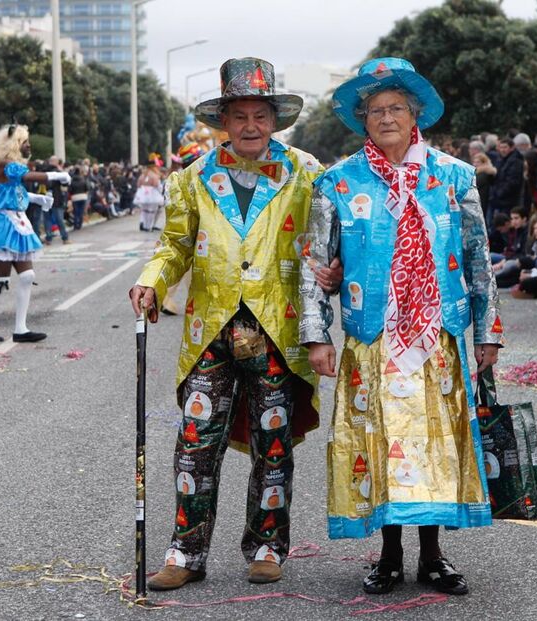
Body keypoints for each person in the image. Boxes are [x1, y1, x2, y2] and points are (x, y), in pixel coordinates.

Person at [301, 57, 503, 597]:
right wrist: (317, 334)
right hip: (373, 335)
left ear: (415, 116)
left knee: (434, 442)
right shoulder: (337, 183)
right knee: (381, 441)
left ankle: (433, 555)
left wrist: (488, 331)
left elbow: (478, 257)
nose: (386, 117)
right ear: (361, 120)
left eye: (396, 108)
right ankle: (389, 555)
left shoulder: (454, 176)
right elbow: (315, 264)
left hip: (436, 334)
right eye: (375, 110)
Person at [129, 57, 327, 590]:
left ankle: (266, 545)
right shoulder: (192, 178)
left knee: (274, 445)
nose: (250, 126)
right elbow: (172, 245)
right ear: (224, 120)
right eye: (239, 115)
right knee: (195, 444)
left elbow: (329, 242)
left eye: (259, 115)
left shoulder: (307, 174)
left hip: (277, 330)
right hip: (209, 330)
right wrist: (153, 280)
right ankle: (185, 552)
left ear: (273, 119)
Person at [0, 123, 62, 343]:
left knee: (27, 276)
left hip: (17, 222)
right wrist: (58, 176)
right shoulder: (4, 164)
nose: (29, 146)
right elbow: (29, 177)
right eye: (24, 142)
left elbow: (15, 193)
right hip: (1, 225)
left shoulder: (12, 167)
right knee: (2, 279)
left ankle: (21, 329)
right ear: (14, 145)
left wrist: (37, 199)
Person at [489, 136, 524, 220]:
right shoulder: (500, 159)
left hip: (508, 200)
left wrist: (499, 193)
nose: (502, 150)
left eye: (505, 147)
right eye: (501, 147)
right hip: (500, 200)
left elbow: (512, 181)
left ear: (512, 148)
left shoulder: (515, 161)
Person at [133, 165, 163, 232]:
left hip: (143, 194)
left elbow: (138, 185)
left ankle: (145, 225)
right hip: (152, 194)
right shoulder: (155, 176)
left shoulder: (142, 175)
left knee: (144, 210)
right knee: (152, 211)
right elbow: (157, 186)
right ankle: (149, 226)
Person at [68, 163, 90, 231]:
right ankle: (79, 224)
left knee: (76, 211)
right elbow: (87, 188)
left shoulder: (72, 180)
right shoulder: (83, 179)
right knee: (81, 211)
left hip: (75, 197)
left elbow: (70, 190)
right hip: (83, 196)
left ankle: (75, 225)